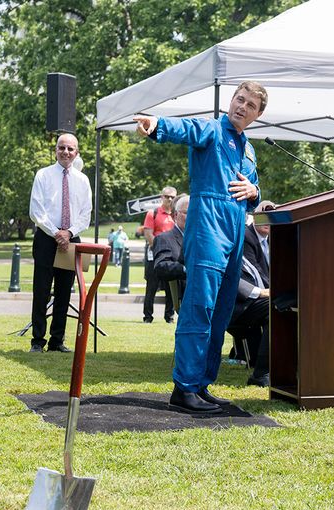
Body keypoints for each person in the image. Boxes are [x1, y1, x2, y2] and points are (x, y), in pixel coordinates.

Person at [133, 81, 264, 413]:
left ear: (257, 114)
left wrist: (254, 193)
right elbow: (185, 128)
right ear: (230, 101)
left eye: (250, 105)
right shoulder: (211, 130)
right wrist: (156, 126)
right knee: (200, 308)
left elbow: (254, 194)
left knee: (221, 312)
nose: (242, 106)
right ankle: (185, 387)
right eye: (239, 99)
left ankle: (202, 385)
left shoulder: (249, 149)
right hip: (207, 226)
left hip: (235, 232)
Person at [27, 133, 92, 353]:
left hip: (71, 239)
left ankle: (57, 341)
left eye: (70, 149)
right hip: (47, 237)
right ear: (55, 150)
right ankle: (37, 340)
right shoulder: (43, 175)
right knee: (42, 290)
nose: (65, 152)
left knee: (65, 291)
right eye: (61, 148)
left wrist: (69, 232)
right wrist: (57, 233)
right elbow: (36, 211)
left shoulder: (83, 180)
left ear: (77, 153)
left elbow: (86, 214)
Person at [230, 218, 271, 387]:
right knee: (276, 309)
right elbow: (228, 277)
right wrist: (259, 292)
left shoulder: (247, 244)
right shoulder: (229, 242)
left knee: (283, 305)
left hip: (249, 304)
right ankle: (261, 373)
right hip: (234, 308)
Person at [140, 187, 178, 323]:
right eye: (167, 196)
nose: (169, 199)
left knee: (171, 289)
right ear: (161, 197)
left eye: (172, 197)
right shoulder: (153, 213)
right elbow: (149, 234)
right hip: (155, 256)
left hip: (172, 258)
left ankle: (169, 317)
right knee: (151, 288)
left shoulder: (177, 215)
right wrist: (160, 250)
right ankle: (148, 317)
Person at [153, 194, 189, 302]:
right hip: (187, 294)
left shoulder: (203, 238)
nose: (192, 216)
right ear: (175, 216)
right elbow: (161, 267)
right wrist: (187, 269)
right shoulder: (164, 238)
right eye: (187, 212)